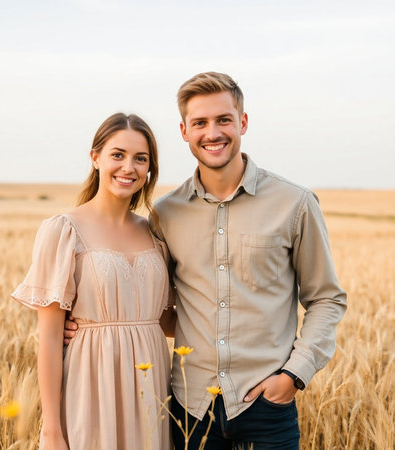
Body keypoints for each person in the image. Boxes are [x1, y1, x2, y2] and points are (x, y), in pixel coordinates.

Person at [65, 72, 347, 449]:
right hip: (190, 407)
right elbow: (154, 302)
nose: (212, 133)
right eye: (200, 122)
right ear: (184, 131)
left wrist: (294, 375)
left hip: (265, 406)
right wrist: (85, 323)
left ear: (242, 122)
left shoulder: (294, 204)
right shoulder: (167, 213)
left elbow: (326, 298)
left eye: (223, 120)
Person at [12, 112, 175, 450]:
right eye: (118, 154)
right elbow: (50, 336)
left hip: (151, 383)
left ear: (149, 170)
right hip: (92, 380)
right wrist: (51, 429)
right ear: (96, 157)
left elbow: (163, 319)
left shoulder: (155, 234)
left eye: (140, 159)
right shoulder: (64, 230)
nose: (128, 167)